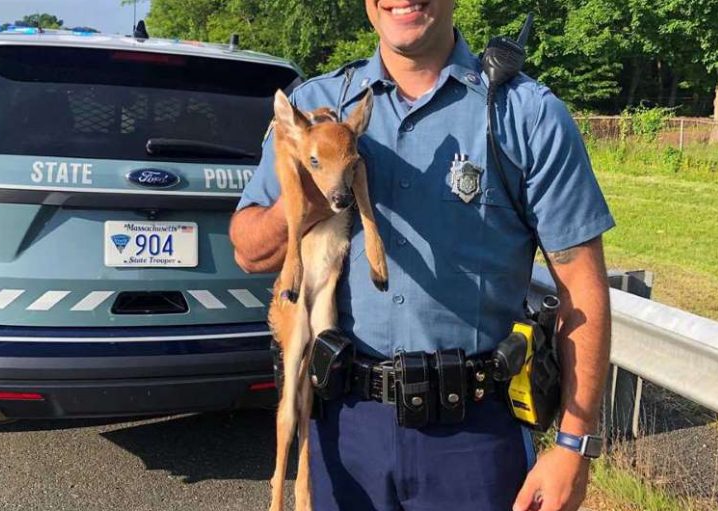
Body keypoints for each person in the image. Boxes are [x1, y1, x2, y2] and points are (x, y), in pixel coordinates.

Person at [230, 1, 614, 510]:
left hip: (475, 435)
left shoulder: (526, 114)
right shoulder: (314, 108)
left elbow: (582, 287)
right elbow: (248, 251)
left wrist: (574, 443)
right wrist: (317, 180)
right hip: (345, 429)